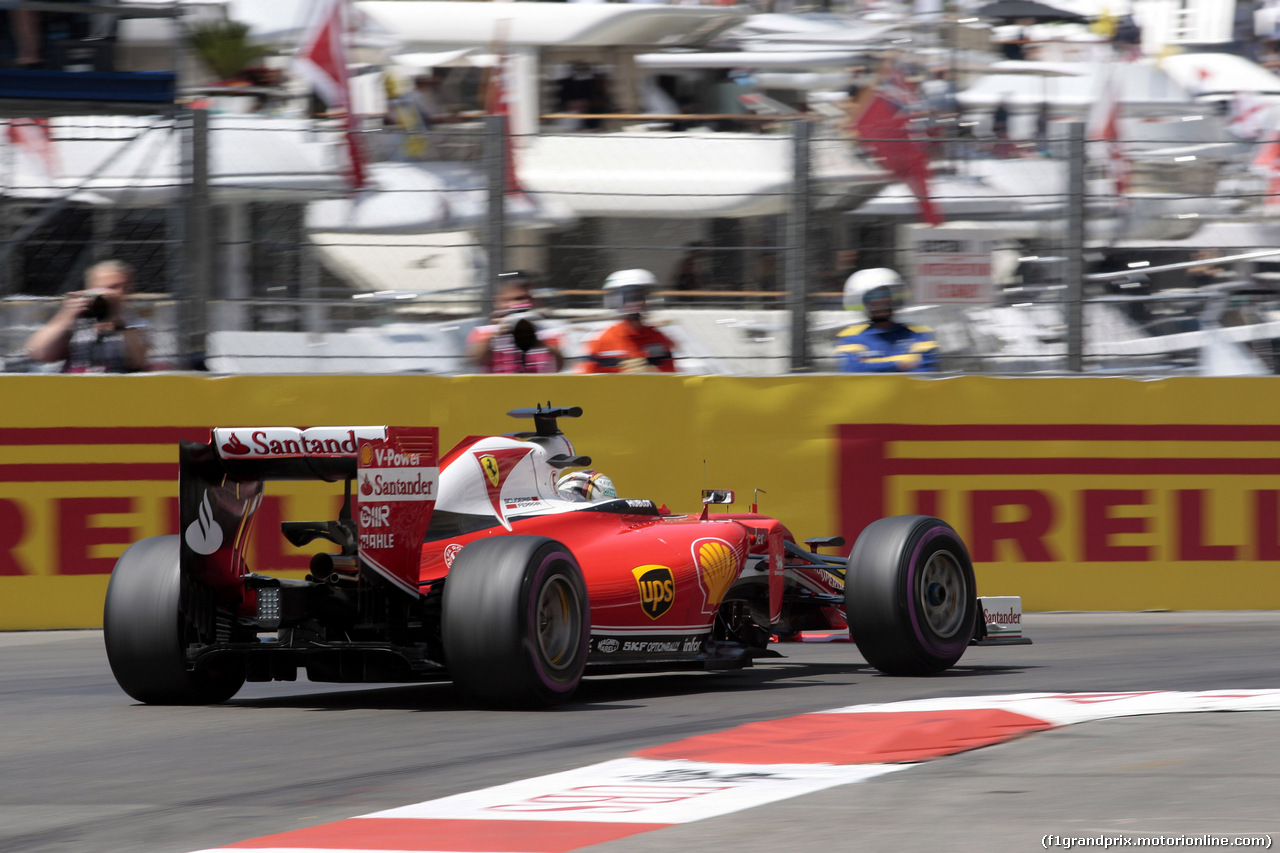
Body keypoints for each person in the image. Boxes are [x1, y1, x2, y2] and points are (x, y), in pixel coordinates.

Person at [25, 259, 149, 373]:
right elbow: (40, 354)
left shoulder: (134, 322)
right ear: (91, 290)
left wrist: (119, 323)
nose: (119, 293)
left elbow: (138, 362)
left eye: (125, 288)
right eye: (111, 287)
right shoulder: (76, 319)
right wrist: (66, 316)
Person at [835, 268, 939, 373]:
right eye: (872, 298)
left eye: (884, 297)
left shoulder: (920, 333)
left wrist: (872, 364)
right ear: (865, 304)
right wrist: (899, 365)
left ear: (892, 300)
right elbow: (853, 370)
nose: (880, 303)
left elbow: (924, 371)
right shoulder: (852, 336)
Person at [464, 271, 565, 374]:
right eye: (517, 299)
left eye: (529, 298)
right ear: (499, 302)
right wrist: (495, 335)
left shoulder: (548, 332)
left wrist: (537, 339)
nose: (524, 303)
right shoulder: (484, 332)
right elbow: (474, 361)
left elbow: (559, 367)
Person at [578, 269, 677, 373]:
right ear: (618, 301)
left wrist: (650, 371)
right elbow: (584, 382)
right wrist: (623, 375)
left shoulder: (659, 339)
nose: (635, 303)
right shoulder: (601, 341)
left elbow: (672, 377)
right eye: (629, 298)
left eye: (639, 297)